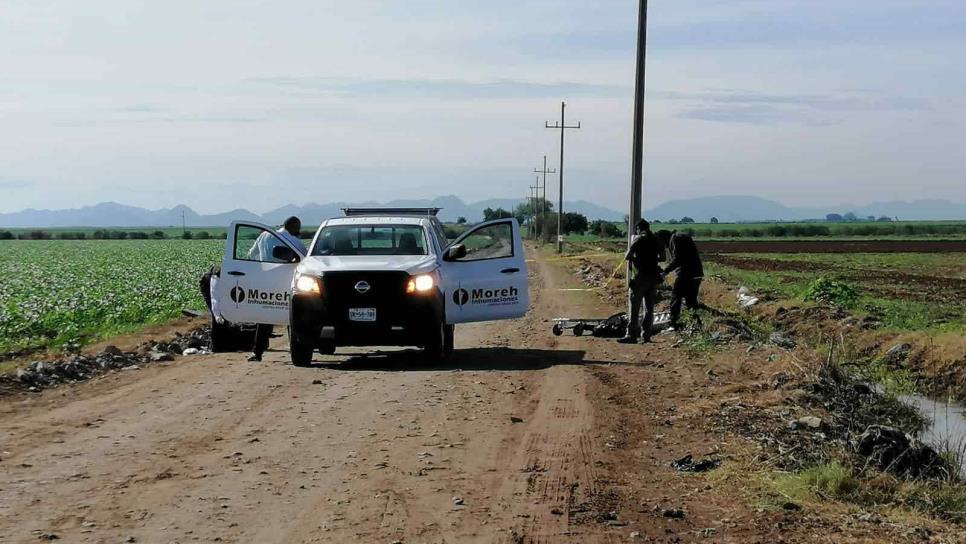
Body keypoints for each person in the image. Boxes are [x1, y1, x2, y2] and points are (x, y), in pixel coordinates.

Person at [248, 217, 307, 362]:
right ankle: (295, 350)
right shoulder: (293, 241)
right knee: (291, 317)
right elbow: (306, 260)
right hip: (284, 283)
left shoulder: (263, 236)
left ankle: (257, 352)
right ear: (294, 228)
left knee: (265, 317)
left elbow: (251, 255)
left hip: (265, 282)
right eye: (298, 228)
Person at [619, 219, 664, 344]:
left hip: (640, 277)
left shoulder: (638, 239)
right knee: (649, 309)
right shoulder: (656, 240)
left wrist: (638, 258)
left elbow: (627, 256)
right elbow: (663, 257)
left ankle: (632, 335)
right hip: (653, 278)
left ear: (639, 229)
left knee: (635, 308)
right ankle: (646, 335)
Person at [658, 230, 705, 330]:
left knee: (676, 297)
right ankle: (696, 325)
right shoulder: (680, 236)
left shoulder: (675, 239)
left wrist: (665, 271)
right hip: (696, 273)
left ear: (663, 239)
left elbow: (677, 259)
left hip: (687, 273)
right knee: (691, 301)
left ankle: (674, 324)